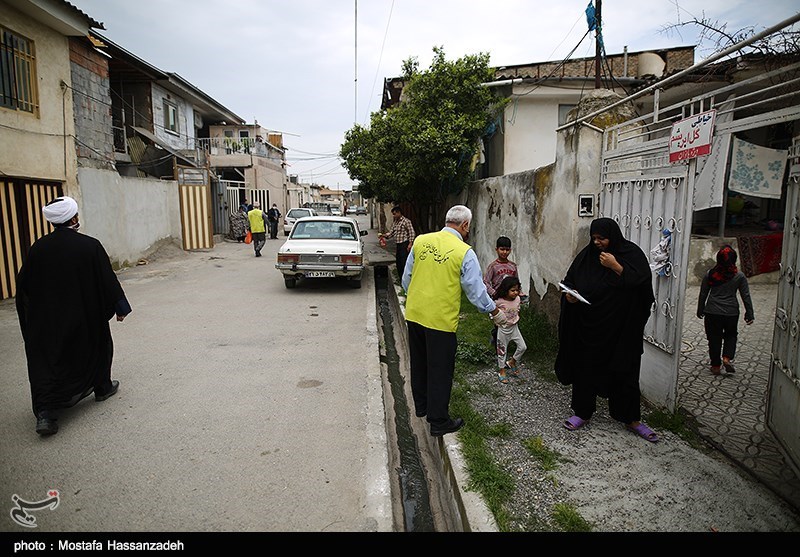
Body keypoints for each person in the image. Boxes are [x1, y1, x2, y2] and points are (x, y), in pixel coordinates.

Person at [16, 196, 132, 436]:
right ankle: (102, 387)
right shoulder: (90, 246)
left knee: (46, 361)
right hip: (84, 317)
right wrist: (120, 307)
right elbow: (107, 279)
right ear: (74, 217)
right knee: (96, 345)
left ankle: (46, 415)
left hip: (47, 322)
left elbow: (24, 286)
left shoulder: (38, 248)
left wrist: (31, 320)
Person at [402, 205, 503, 437]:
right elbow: (475, 291)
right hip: (440, 320)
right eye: (469, 227)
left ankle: (423, 407)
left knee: (420, 362)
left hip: (415, 314)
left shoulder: (420, 241)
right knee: (440, 369)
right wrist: (493, 310)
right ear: (465, 225)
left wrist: (416, 297)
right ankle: (438, 421)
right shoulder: (463, 251)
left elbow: (407, 278)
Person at [554, 217, 658, 443]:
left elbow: (642, 286)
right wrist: (570, 297)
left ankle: (631, 419)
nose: (597, 242)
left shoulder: (631, 254)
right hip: (590, 327)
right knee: (586, 369)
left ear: (614, 236)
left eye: (602, 238)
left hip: (621, 329)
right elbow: (570, 282)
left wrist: (616, 267)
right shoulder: (586, 257)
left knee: (625, 371)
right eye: (594, 238)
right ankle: (582, 412)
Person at [697, 244, 754, 375]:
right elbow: (746, 296)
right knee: (731, 335)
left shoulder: (710, 274)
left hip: (712, 312)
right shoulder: (739, 276)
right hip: (731, 312)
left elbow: (703, 294)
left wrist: (700, 310)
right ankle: (727, 358)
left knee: (714, 338)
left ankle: (716, 365)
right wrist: (749, 314)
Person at [483, 236, 521, 346]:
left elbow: (517, 281)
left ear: (510, 250)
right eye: (502, 249)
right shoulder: (493, 267)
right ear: (496, 249)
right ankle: (497, 341)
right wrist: (493, 293)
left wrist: (518, 292)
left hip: (510, 300)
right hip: (499, 300)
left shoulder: (513, 266)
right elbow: (486, 282)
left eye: (507, 249)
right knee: (499, 322)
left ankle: (510, 340)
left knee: (510, 319)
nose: (504, 252)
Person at [493, 275, 527, 384]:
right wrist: (497, 321)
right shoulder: (499, 301)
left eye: (517, 290)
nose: (516, 293)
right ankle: (501, 371)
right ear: (505, 290)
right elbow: (492, 312)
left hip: (514, 327)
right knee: (502, 351)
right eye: (512, 290)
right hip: (503, 329)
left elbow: (517, 309)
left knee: (523, 347)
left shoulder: (517, 299)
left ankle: (512, 362)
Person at [379, 206, 416, 276]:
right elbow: (391, 233)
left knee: (403, 262)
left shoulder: (406, 221)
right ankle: (400, 277)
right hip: (398, 245)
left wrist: (410, 243)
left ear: (399, 213)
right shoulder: (396, 222)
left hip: (404, 244)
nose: (394, 216)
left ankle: (405, 278)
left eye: (394, 214)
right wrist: (383, 235)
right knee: (398, 263)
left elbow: (411, 232)